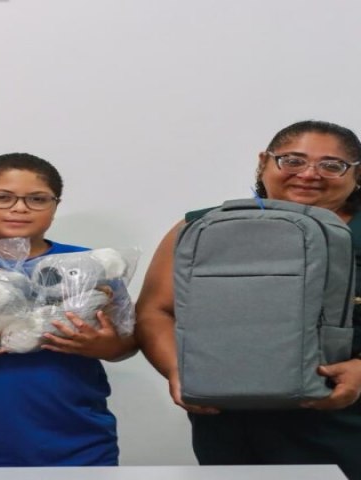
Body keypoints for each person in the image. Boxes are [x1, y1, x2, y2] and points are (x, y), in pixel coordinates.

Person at [135, 120, 361, 479]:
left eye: (331, 165)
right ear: (263, 162)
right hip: (228, 419)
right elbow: (156, 311)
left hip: (343, 415)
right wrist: (178, 371)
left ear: (356, 175)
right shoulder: (202, 227)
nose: (309, 174)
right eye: (292, 160)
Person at [0, 152, 136, 467]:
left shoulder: (88, 266)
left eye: (37, 199)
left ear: (55, 205)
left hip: (80, 443)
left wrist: (104, 346)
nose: (20, 208)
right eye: (2, 197)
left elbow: (127, 342)